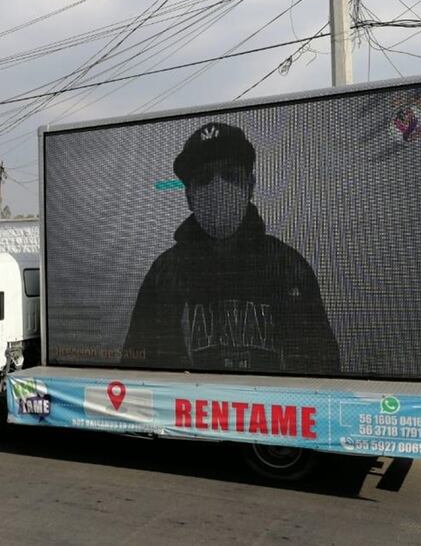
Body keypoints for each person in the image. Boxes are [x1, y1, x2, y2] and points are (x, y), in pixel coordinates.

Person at [123, 122, 340, 375]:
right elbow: (137, 371)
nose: (218, 188)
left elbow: (322, 370)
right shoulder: (165, 273)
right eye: (204, 179)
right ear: (189, 197)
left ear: (250, 186)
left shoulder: (286, 266)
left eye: (230, 175)